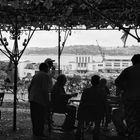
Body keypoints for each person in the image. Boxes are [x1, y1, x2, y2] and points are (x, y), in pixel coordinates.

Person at [115, 54, 140, 140]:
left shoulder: (128, 70)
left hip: (130, 98)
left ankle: (133, 135)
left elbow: (117, 82)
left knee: (131, 118)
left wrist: (125, 88)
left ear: (133, 61)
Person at [75, 75, 106, 140]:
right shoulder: (102, 92)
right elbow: (103, 103)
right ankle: (96, 133)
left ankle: (78, 131)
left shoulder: (86, 91)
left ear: (91, 82)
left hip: (86, 114)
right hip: (97, 114)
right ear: (99, 82)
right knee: (99, 113)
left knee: (81, 110)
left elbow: (82, 103)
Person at [28, 63, 50, 140]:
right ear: (45, 68)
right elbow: (45, 90)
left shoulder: (36, 75)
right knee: (41, 118)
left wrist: (29, 96)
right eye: (48, 68)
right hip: (39, 100)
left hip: (32, 98)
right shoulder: (45, 76)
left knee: (34, 117)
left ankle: (35, 133)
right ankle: (40, 133)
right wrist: (47, 101)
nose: (49, 69)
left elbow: (30, 87)